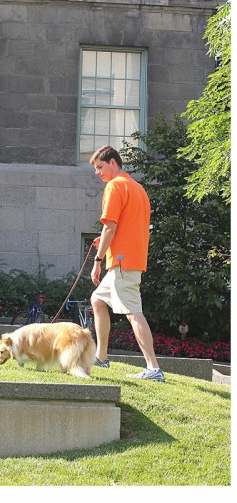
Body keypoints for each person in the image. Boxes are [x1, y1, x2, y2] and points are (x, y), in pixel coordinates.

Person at [89, 145, 165, 382]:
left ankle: (153, 369)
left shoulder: (115, 186)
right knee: (97, 300)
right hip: (129, 259)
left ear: (113, 162)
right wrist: (106, 243)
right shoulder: (137, 188)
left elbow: (110, 226)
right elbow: (125, 226)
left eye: (100, 167)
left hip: (122, 262)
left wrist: (98, 259)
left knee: (133, 313)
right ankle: (101, 358)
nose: (97, 172)